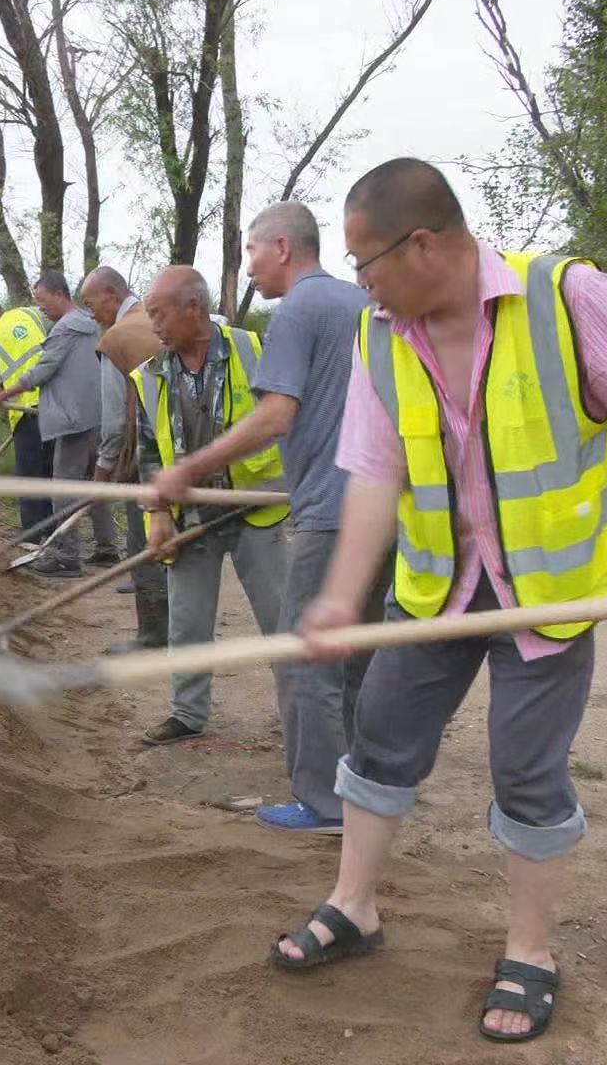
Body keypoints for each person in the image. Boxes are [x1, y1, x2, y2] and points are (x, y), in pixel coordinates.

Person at [272, 158, 607, 1045]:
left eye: (366, 264)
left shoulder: (565, 296)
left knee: (526, 770)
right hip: (439, 586)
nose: (360, 284)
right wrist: (337, 595)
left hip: (548, 593)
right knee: (380, 741)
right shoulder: (381, 334)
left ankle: (530, 949)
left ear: (424, 246)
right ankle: (352, 905)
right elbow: (375, 473)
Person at [148, 202, 384, 834]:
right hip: (379, 508)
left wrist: (187, 469)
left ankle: (323, 803)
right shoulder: (361, 303)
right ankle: (361, 787)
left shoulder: (297, 312)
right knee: (355, 654)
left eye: (251, 251)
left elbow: (275, 416)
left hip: (328, 512)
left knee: (305, 656)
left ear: (282, 247)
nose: (248, 266)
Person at [132, 267, 289, 745]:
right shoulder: (148, 376)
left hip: (254, 508)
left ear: (192, 307)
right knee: (187, 623)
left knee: (281, 618)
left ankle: (302, 712)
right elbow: (146, 451)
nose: (153, 327)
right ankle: (187, 714)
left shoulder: (255, 350)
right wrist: (157, 515)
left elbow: (287, 420)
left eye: (158, 315)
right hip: (189, 515)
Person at [0, 271, 118, 576]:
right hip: (95, 416)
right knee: (93, 484)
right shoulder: (90, 325)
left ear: (60, 294)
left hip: (73, 421)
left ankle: (67, 556)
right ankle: (107, 548)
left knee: (63, 487)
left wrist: (3, 395)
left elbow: (42, 371)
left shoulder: (66, 329)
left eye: (43, 300)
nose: (41, 307)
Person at [79, 266, 168, 653]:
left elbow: (115, 421)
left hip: (146, 458)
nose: (90, 312)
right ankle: (178, 629)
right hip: (181, 452)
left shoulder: (117, 338)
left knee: (143, 543)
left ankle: (153, 635)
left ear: (112, 295)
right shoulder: (157, 318)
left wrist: (101, 475)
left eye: (91, 302)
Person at [0, 293, 54, 532]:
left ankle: (32, 533)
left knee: (28, 475)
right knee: (50, 473)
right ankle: (52, 532)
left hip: (25, 412)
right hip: (55, 404)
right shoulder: (31, 313)